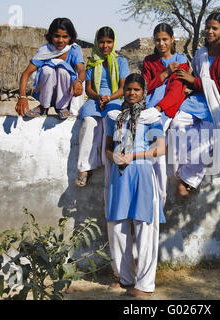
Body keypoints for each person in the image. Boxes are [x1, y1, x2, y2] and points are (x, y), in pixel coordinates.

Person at [105, 73, 166, 297]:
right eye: (128, 89)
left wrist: (134, 155)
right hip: (120, 175)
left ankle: (145, 284)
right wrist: (114, 157)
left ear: (144, 92)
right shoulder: (115, 117)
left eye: (136, 90)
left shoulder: (150, 118)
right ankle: (126, 277)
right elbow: (107, 148)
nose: (131, 93)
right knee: (118, 226)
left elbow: (160, 148)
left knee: (144, 227)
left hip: (141, 173)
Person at [170, 12, 220, 198]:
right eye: (207, 27)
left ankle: (188, 179)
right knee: (176, 126)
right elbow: (193, 78)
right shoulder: (201, 53)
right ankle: (181, 171)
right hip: (199, 100)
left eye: (214, 28)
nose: (209, 31)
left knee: (207, 135)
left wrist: (194, 81)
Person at [142, 22, 190, 206]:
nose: (161, 43)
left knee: (155, 149)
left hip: (167, 109)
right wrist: (164, 73)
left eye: (164, 39)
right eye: (157, 40)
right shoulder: (149, 61)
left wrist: (159, 109)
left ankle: (159, 200)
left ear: (172, 40)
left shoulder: (181, 60)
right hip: (149, 107)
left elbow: (177, 91)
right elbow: (145, 88)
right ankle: (150, 199)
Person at [75, 26, 129, 187]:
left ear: (114, 42)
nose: (105, 46)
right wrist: (98, 96)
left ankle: (109, 162)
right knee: (89, 123)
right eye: (102, 42)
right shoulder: (92, 62)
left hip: (115, 99)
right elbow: (89, 88)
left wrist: (109, 97)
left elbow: (123, 89)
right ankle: (84, 168)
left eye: (109, 42)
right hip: (96, 99)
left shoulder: (121, 61)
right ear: (97, 43)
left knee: (109, 123)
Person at [15, 17, 86, 120]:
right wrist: (22, 97)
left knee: (62, 69)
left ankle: (62, 107)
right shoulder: (45, 50)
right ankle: (44, 106)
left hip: (66, 95)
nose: (60, 40)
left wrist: (79, 81)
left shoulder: (74, 49)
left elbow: (81, 70)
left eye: (65, 37)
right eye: (57, 36)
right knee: (47, 69)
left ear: (70, 37)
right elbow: (26, 74)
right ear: (51, 35)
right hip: (46, 93)